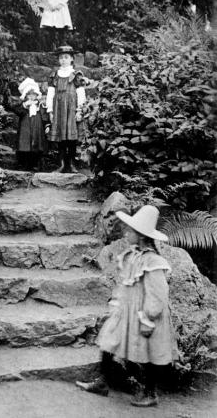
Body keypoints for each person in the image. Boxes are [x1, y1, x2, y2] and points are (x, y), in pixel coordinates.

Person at [76, 205, 178, 408]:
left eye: (130, 230)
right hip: (126, 311)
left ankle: (150, 392)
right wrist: (117, 302)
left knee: (148, 352)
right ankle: (103, 382)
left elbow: (158, 293)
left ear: (140, 236)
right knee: (108, 342)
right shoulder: (131, 256)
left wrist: (148, 317)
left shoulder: (153, 261)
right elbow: (125, 284)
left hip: (143, 314)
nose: (125, 233)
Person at [46, 45, 86, 172]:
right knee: (61, 137)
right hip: (59, 109)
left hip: (71, 108)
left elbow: (80, 93)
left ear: (72, 59)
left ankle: (72, 164)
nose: (63, 60)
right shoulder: (55, 75)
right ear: (58, 60)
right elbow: (50, 93)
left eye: (66, 57)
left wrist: (80, 110)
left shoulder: (76, 75)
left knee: (71, 138)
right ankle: (62, 165)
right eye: (61, 57)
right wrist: (50, 111)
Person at [3, 77, 48, 171]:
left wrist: (47, 125)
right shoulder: (23, 106)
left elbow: (44, 116)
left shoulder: (39, 105)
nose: (32, 97)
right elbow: (17, 111)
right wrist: (24, 106)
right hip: (26, 127)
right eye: (29, 95)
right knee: (25, 143)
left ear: (37, 95)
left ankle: (35, 163)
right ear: (26, 96)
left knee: (37, 143)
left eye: (34, 95)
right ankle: (24, 164)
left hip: (37, 127)